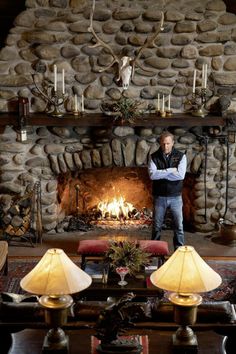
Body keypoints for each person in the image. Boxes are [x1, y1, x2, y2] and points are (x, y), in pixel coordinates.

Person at [148, 131, 187, 250]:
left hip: (176, 197)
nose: (166, 146)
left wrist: (161, 173)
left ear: (173, 143)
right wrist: (170, 170)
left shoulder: (181, 156)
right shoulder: (154, 157)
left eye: (168, 143)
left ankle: (179, 252)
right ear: (160, 143)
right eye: (164, 143)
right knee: (156, 226)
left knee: (179, 227)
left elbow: (180, 176)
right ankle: (155, 252)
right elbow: (152, 175)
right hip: (159, 197)